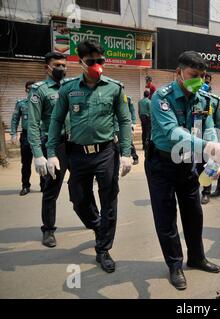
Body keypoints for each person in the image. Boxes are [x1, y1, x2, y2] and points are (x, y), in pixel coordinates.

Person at [46, 40, 133, 273]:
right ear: (81, 62)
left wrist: (126, 153)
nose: (97, 65)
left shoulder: (115, 88)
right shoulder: (68, 89)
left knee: (109, 201)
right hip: (78, 153)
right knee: (78, 199)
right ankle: (98, 226)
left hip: (105, 152)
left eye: (100, 60)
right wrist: (51, 152)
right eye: (91, 61)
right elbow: (55, 120)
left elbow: (125, 120)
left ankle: (103, 249)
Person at [145, 51, 220, 290]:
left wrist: (214, 152)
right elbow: (173, 132)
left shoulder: (203, 98)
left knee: (194, 213)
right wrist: (205, 145)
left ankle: (197, 257)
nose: (198, 80)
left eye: (202, 76)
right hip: (162, 164)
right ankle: (175, 265)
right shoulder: (161, 97)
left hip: (188, 162)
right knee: (166, 217)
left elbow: (208, 127)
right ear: (178, 73)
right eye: (193, 75)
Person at [27, 52, 69, 248]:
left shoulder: (71, 86)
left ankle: (93, 220)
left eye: (64, 65)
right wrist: (38, 154)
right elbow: (34, 124)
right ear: (47, 68)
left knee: (83, 187)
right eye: (57, 65)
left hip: (76, 144)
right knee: (51, 190)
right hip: (55, 146)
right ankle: (49, 230)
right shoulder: (39, 90)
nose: (61, 68)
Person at [10, 80, 38, 196]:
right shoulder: (21, 103)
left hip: (40, 135)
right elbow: (15, 119)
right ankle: (25, 186)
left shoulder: (41, 103)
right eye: (29, 88)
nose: (31, 90)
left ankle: (44, 185)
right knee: (26, 163)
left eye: (33, 88)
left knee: (43, 162)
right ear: (26, 89)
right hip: (26, 136)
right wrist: (13, 134)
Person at [197, 89, 220, 205]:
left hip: (209, 139)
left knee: (208, 166)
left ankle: (206, 193)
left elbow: (219, 123)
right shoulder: (187, 98)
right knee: (193, 168)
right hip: (192, 139)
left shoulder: (213, 100)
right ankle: (194, 192)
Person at [114, 96, 139, 165]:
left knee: (129, 142)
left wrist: (133, 122)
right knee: (118, 144)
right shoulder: (111, 98)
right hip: (116, 126)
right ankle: (123, 159)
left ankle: (135, 157)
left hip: (125, 126)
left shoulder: (127, 99)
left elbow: (132, 111)